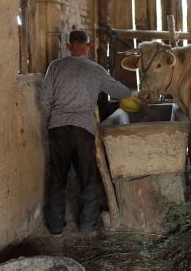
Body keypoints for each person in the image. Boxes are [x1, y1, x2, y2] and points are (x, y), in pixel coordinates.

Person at [40, 30, 131, 235]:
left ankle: (55, 227)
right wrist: (133, 95)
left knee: (57, 178)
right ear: (88, 47)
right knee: (87, 178)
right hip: (83, 129)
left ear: (68, 46)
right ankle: (86, 225)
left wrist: (51, 121)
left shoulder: (55, 67)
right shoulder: (96, 70)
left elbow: (45, 100)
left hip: (58, 128)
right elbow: (121, 92)